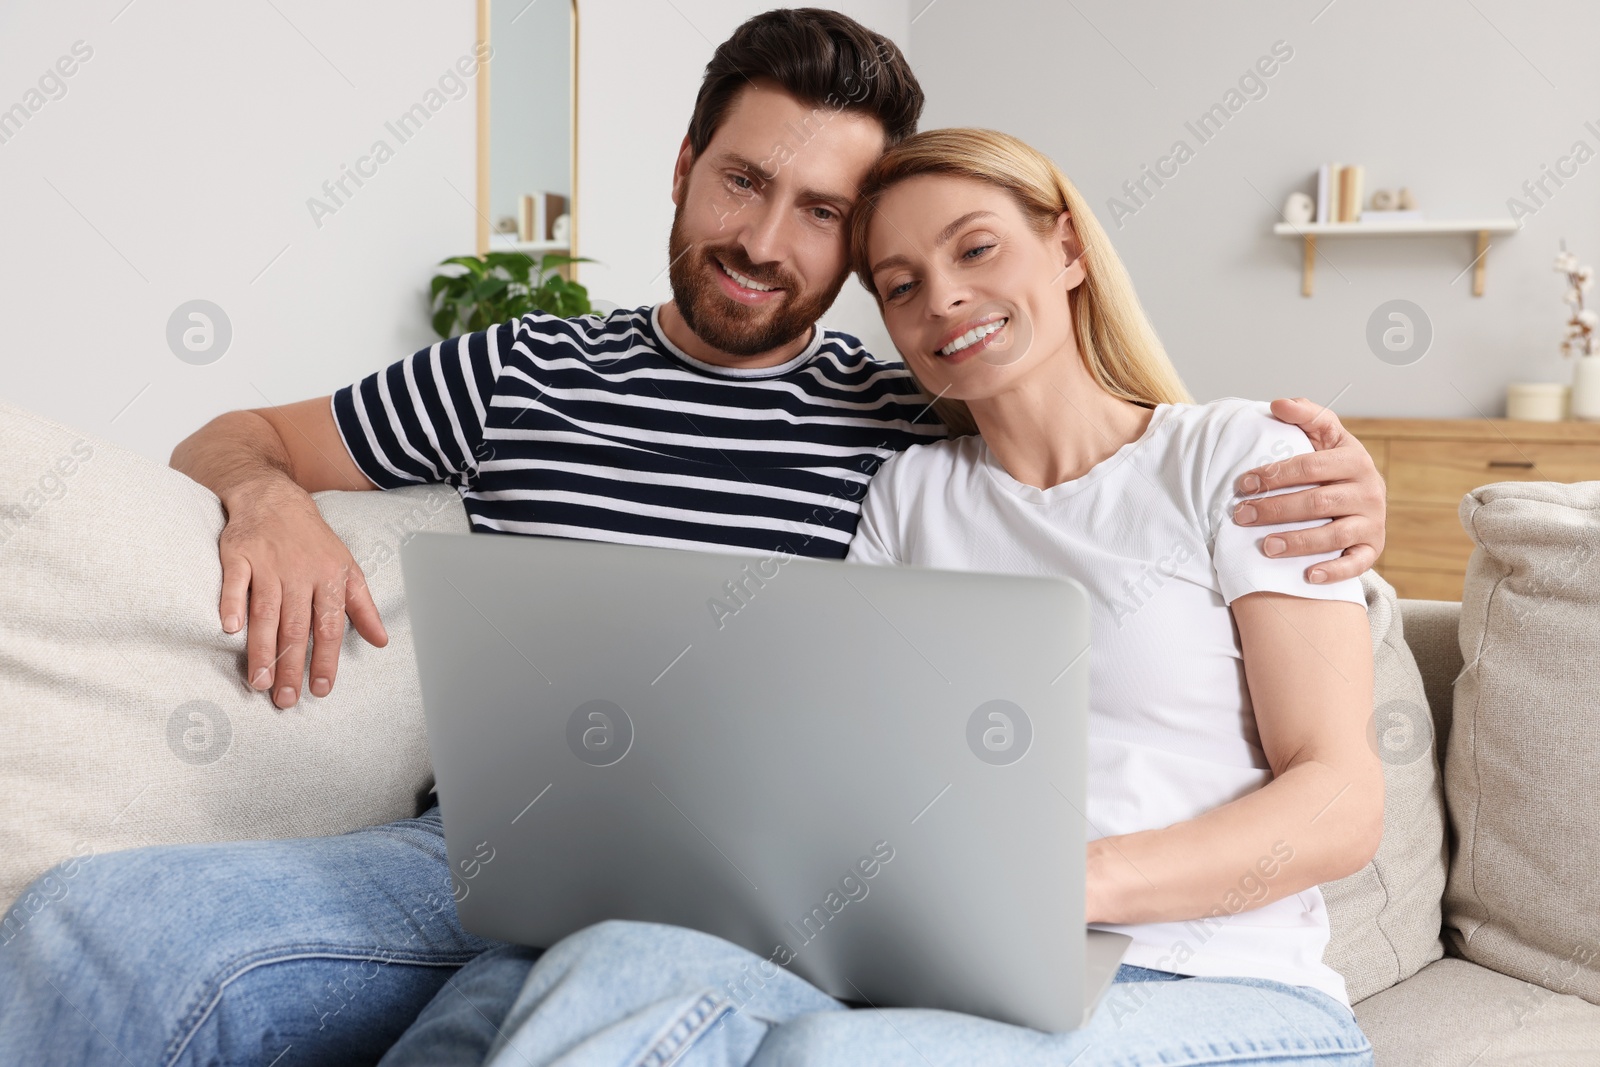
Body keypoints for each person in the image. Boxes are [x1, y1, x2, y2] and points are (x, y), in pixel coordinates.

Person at [0, 11, 1385, 1066]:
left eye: (828, 218)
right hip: (483, 848)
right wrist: (268, 498)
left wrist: (1341, 491)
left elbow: (1086, 434)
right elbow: (236, 431)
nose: (764, 239)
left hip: (739, 890)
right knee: (85, 922)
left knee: (596, 989)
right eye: (742, 182)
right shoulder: (524, 367)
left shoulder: (912, 415)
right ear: (683, 168)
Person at [377, 127, 1382, 1067]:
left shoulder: (1241, 457)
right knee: (605, 965)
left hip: (1220, 981)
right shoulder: (910, 492)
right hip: (955, 969)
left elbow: (1338, 798)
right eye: (901, 285)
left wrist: (1071, 883)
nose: (942, 297)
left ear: (1068, 247)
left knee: (826, 1057)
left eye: (976, 250)